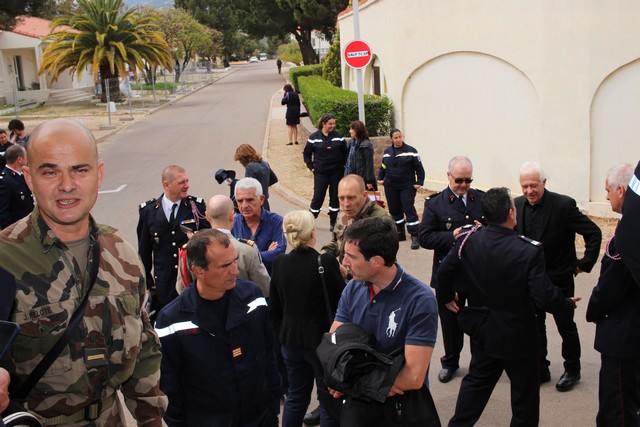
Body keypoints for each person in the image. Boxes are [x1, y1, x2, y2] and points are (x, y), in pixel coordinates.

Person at [0, 118, 167, 425]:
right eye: (50, 172)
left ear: (98, 174)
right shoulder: (4, 261)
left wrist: (152, 421)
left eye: (80, 170)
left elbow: (143, 351)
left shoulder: (123, 255)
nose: (67, 185)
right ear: (28, 178)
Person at [437, 187, 579, 427]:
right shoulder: (528, 250)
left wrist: (446, 296)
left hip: (483, 330)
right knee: (524, 397)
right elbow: (544, 295)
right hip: (519, 335)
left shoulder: (469, 240)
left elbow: (444, 271)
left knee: (476, 385)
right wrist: (565, 304)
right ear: (511, 213)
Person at [155, 229, 280, 426]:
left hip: (259, 419)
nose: (235, 271)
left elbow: (269, 356)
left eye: (234, 261)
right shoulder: (172, 321)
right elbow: (169, 387)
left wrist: (272, 410)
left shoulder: (253, 297)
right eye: (225, 266)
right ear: (198, 270)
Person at [329, 217, 438, 424]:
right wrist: (378, 383)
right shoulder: (352, 288)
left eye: (351, 256)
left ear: (376, 261)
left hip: (401, 412)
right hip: (358, 410)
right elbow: (333, 346)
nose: (344, 262)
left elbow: (413, 377)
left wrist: (350, 383)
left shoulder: (420, 300)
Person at [515, 161, 602, 391]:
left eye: (533, 185)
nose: (529, 191)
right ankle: (540, 368)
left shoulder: (563, 205)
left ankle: (572, 369)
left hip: (559, 279)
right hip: (531, 281)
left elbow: (593, 233)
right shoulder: (516, 205)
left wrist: (583, 264)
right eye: (524, 186)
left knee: (565, 326)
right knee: (535, 326)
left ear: (544, 182)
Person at [269, 210, 345, 427]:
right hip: (322, 343)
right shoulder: (325, 261)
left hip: (290, 341)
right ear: (312, 232)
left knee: (296, 396)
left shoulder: (280, 263)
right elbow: (342, 301)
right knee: (328, 398)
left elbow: (274, 308)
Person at [418, 155, 485, 383]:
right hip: (449, 276)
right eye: (459, 180)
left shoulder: (481, 199)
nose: (464, 185)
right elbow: (424, 237)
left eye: (468, 180)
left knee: (479, 322)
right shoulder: (435, 204)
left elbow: (496, 229)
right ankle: (451, 362)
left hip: (476, 275)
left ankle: (479, 364)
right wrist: (452, 235)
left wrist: (484, 229)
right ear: (448, 176)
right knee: (450, 324)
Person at [586, 163, 640, 426]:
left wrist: (592, 310)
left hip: (623, 338)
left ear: (621, 190)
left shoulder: (627, 237)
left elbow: (610, 288)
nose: (606, 197)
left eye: (608, 191)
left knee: (618, 409)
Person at [137, 165, 210, 318]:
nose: (187, 185)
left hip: (191, 280)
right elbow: (144, 253)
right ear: (167, 185)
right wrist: (149, 285)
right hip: (164, 286)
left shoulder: (196, 207)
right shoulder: (148, 212)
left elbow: (209, 241)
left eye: (187, 181)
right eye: (182, 182)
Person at [175, 194, 271, 297]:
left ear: (207, 216)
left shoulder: (191, 249)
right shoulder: (247, 250)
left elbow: (182, 288)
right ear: (231, 216)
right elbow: (265, 288)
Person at [323, 174, 390, 262]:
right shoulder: (343, 214)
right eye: (341, 198)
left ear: (365, 195)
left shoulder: (381, 220)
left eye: (351, 198)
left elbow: (385, 262)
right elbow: (336, 243)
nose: (346, 204)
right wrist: (322, 255)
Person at [377, 128, 424, 249]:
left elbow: (419, 168)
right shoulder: (387, 152)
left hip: (407, 185)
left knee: (408, 208)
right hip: (391, 185)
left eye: (400, 137)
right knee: (394, 209)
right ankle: (400, 232)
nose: (398, 139)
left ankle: (415, 235)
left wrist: (419, 182)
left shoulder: (411, 151)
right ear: (391, 139)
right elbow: (383, 166)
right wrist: (380, 178)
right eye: (395, 138)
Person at [231, 177, 286, 274]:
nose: (244, 206)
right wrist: (265, 254)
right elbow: (228, 257)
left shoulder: (277, 222)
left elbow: (278, 254)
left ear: (261, 199)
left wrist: (242, 257)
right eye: (240, 201)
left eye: (249, 200)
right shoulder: (232, 223)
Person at [303, 113, 347, 231]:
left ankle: (333, 222)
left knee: (335, 197)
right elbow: (307, 153)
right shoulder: (314, 137)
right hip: (321, 173)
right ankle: (310, 221)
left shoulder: (338, 137)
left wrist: (343, 165)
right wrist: (311, 166)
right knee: (318, 197)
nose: (333, 126)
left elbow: (345, 152)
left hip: (336, 173)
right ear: (323, 123)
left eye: (334, 123)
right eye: (330, 124)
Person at [234, 144, 278, 211]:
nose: (240, 162)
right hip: (265, 203)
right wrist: (262, 187)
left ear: (245, 157)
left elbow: (248, 189)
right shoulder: (264, 163)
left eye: (240, 159)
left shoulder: (250, 168)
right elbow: (274, 179)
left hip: (256, 205)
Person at [0, 145, 34, 229]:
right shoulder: (5, 180)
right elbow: (3, 212)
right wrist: (10, 232)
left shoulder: (21, 175)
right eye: (26, 156)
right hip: (17, 229)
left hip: (28, 225)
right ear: (19, 159)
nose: (27, 158)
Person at [345, 120, 376, 191]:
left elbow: (369, 164)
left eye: (351, 129)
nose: (350, 131)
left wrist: (369, 181)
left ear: (357, 130)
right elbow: (348, 160)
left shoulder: (366, 145)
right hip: (351, 177)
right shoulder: (351, 142)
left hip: (362, 179)